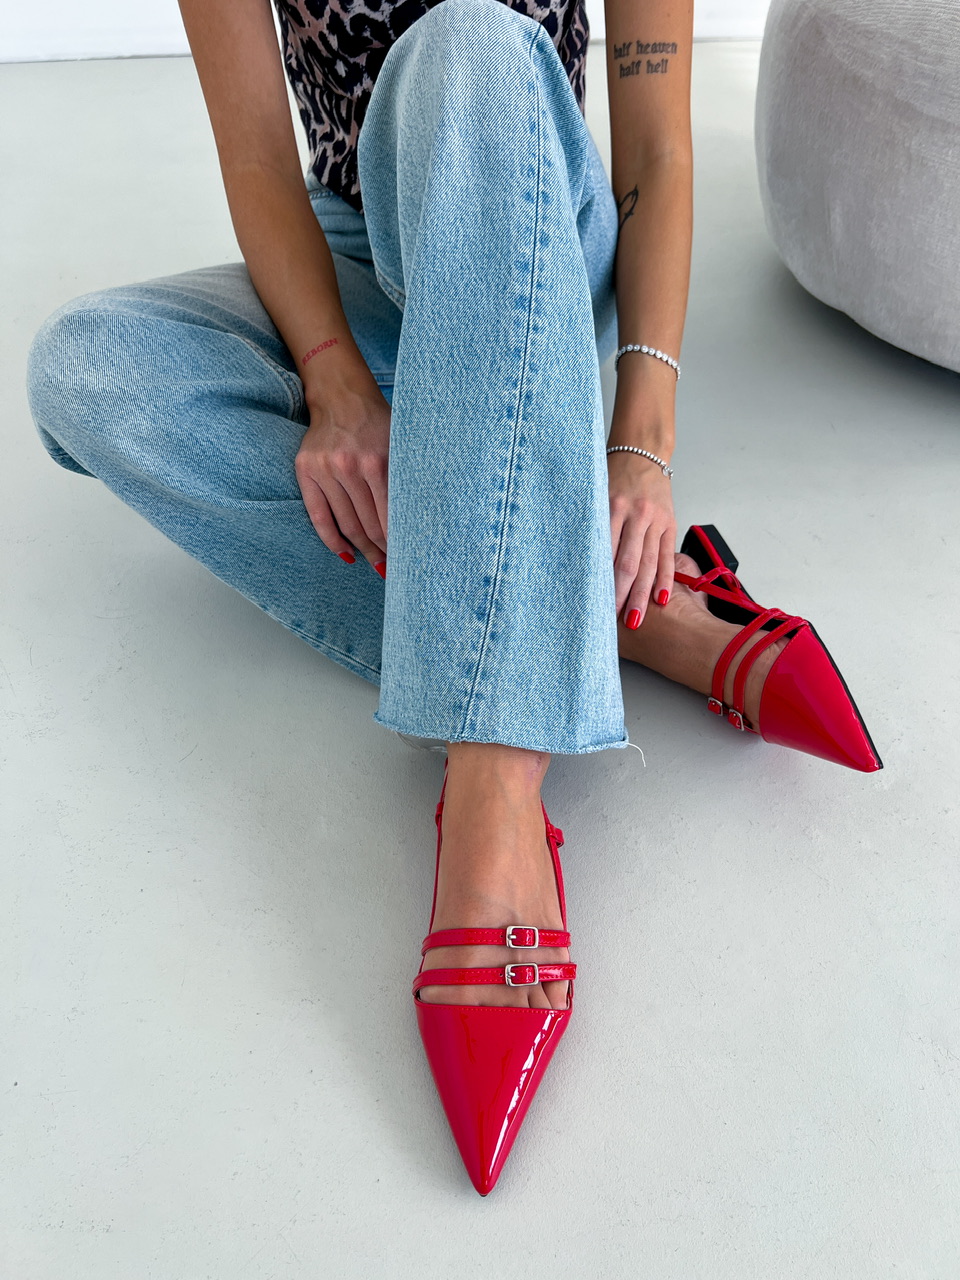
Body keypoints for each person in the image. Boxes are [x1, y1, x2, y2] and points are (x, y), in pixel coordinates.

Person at [25, 0, 881, 1195]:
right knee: (89, 368)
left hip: (530, 224)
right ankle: (619, 602)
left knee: (466, 42)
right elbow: (260, 159)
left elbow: (656, 148)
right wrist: (333, 377)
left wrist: (640, 441)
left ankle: (494, 778)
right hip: (351, 254)